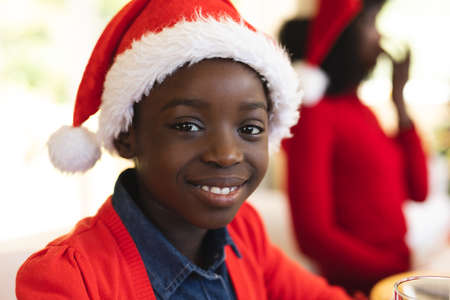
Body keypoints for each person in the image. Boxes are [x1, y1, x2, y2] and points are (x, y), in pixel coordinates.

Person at [15, 0, 368, 299]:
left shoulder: (246, 233)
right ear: (127, 135)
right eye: (188, 126)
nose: (227, 154)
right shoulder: (69, 279)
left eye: (249, 128)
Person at [280, 0, 429, 295]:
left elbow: (419, 190)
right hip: (355, 290)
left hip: (393, 280)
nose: (379, 36)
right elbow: (313, 235)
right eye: (370, 23)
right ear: (342, 33)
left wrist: (399, 102)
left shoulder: (364, 111)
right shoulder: (315, 115)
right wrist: (394, 272)